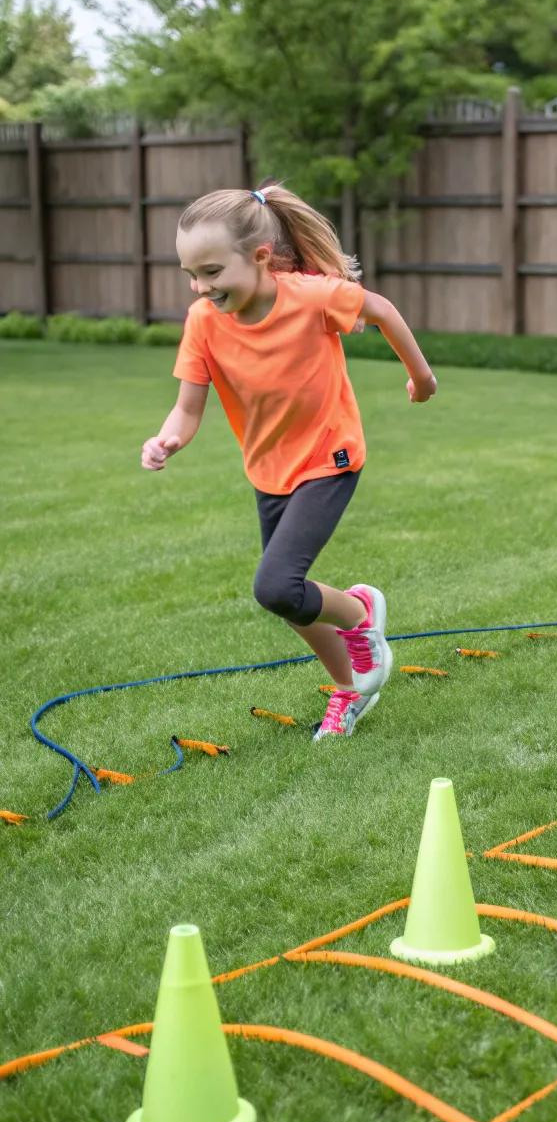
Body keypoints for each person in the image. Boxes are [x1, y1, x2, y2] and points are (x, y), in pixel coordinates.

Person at [140, 182, 437, 737]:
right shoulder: (204, 322)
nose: (201, 287)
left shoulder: (311, 295)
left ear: (257, 257)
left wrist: (421, 378)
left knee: (275, 586)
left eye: (211, 272)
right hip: (270, 469)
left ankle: (358, 613)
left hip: (330, 455)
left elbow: (383, 311)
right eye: (191, 275)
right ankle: (350, 687)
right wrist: (167, 440)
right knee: (287, 599)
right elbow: (186, 409)